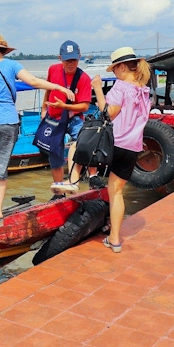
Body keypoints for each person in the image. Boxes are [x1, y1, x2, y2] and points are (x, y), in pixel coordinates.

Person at [0, 33, 75, 220]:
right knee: (1, 167)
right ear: (4, 51)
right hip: (9, 122)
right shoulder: (12, 65)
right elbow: (34, 82)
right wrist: (59, 88)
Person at [52, 47, 152, 253]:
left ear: (122, 67)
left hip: (115, 143)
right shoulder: (144, 90)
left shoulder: (121, 87)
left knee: (76, 146)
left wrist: (98, 88)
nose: (114, 73)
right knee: (116, 192)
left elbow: (109, 113)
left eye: (115, 69)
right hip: (133, 147)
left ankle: (73, 182)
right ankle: (115, 239)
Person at [42, 40, 92, 200]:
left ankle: (81, 179)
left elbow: (84, 106)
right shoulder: (53, 70)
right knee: (54, 154)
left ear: (79, 58)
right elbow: (48, 89)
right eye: (67, 60)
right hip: (54, 117)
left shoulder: (84, 78)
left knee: (85, 143)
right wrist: (43, 109)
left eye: (74, 60)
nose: (70, 64)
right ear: (60, 58)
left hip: (73, 117)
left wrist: (64, 106)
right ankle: (59, 192)